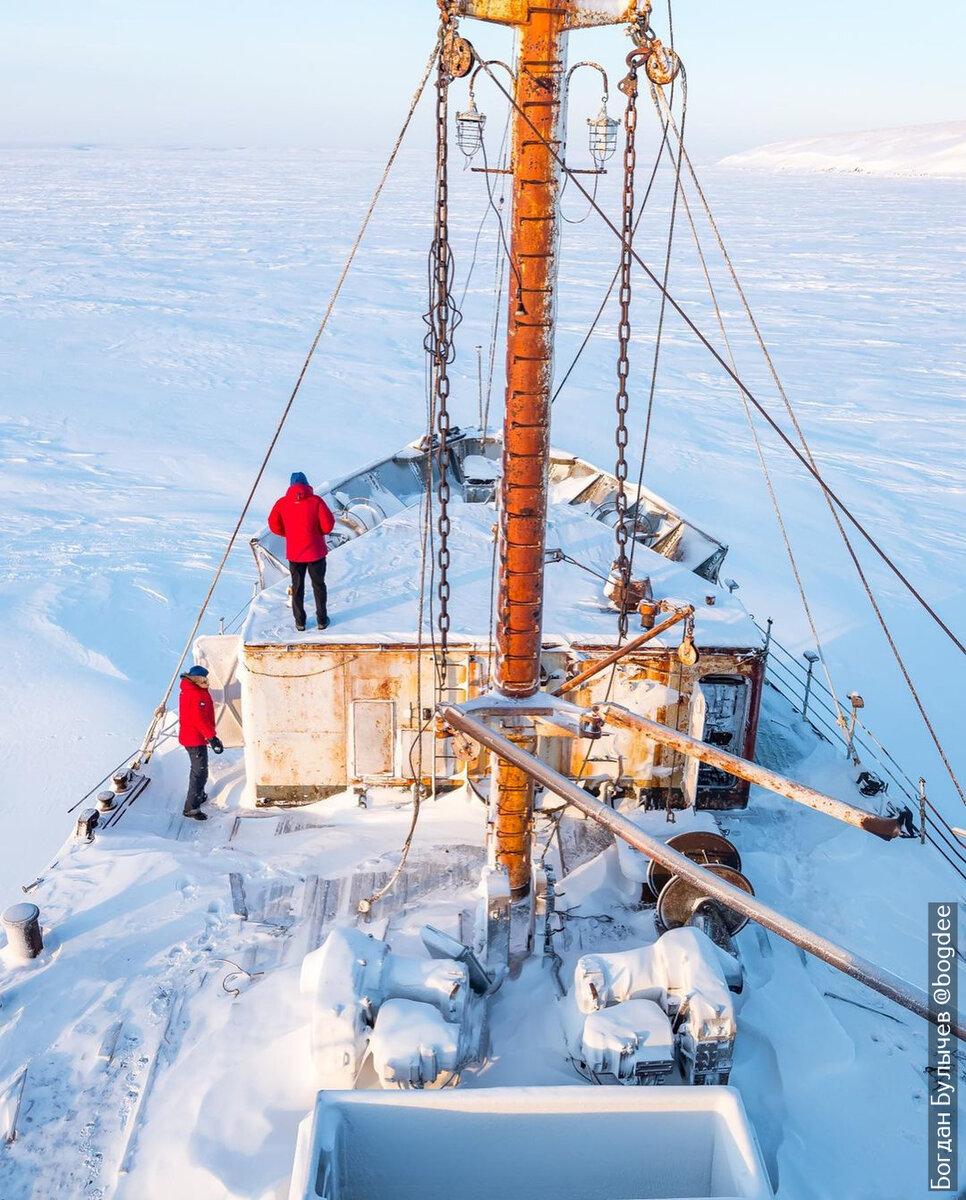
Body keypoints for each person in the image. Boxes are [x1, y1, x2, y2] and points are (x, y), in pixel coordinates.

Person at [268, 471, 336, 632]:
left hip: (295, 554)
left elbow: (273, 525)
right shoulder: (316, 501)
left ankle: (300, 622)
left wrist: (289, 534)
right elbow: (328, 525)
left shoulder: (282, 503)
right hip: (316, 553)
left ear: (291, 486)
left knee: (297, 587)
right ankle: (322, 620)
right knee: (318, 585)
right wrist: (316, 533)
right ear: (306, 484)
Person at [178, 665, 223, 821]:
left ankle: (200, 795)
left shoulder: (190, 690)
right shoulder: (196, 694)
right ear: (196, 679)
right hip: (194, 738)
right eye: (204, 679)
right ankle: (191, 807)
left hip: (191, 736)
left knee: (198, 769)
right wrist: (212, 738)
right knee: (200, 772)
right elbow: (199, 720)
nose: (207, 682)